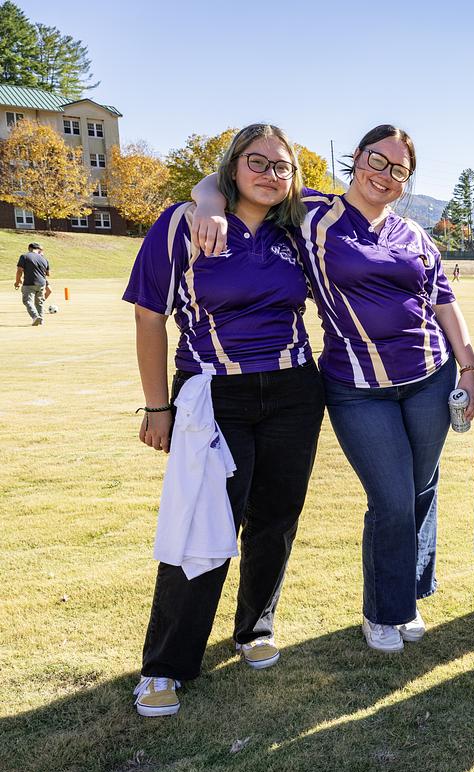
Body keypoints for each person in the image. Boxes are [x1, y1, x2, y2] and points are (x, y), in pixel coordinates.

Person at [193, 125, 474, 654]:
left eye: (400, 169)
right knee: (391, 499)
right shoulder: (310, 214)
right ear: (357, 158)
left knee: (420, 491)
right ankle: (382, 612)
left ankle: (408, 596)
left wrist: (468, 368)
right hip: (357, 386)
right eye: (377, 159)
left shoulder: (415, 235)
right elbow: (226, 177)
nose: (385, 174)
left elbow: (443, 302)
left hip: (429, 378)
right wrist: (210, 204)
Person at [126, 123, 325, 717]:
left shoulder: (299, 224)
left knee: (275, 518)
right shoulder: (183, 222)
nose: (270, 174)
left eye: (282, 166)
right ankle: (165, 667)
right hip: (214, 390)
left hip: (294, 388)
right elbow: (147, 317)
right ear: (232, 166)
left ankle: (255, 627)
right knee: (201, 523)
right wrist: (157, 405)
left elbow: (361, 201)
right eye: (256, 162)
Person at [15, 242, 51, 326]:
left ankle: (35, 317)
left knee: (27, 301)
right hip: (42, 283)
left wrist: (17, 282)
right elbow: (48, 273)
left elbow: (19, 270)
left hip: (29, 283)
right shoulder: (44, 259)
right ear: (38, 249)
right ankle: (41, 320)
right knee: (39, 302)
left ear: (29, 248)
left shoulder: (24, 256)